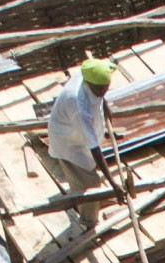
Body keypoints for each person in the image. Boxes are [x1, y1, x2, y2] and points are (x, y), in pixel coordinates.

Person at [48, 56, 122, 227]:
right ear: (90, 84)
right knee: (90, 185)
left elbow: (103, 86)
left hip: (78, 133)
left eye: (106, 87)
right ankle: (88, 222)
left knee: (85, 173)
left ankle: (94, 199)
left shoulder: (91, 73)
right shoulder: (78, 106)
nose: (104, 90)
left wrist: (105, 105)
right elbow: (94, 148)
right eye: (101, 88)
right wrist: (114, 184)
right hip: (68, 140)